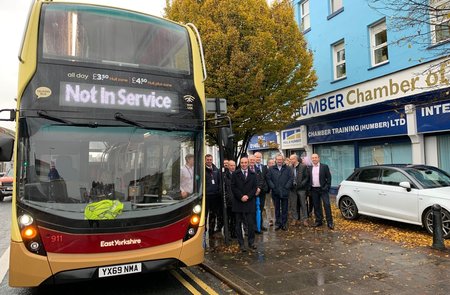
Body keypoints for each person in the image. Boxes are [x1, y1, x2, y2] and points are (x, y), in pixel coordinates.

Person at [231, 156, 258, 252]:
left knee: (251, 224)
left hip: (250, 202)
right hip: (238, 202)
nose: (244, 164)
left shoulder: (253, 174)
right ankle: (241, 244)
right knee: (238, 224)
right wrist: (241, 196)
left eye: (245, 162)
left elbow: (255, 187)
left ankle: (251, 242)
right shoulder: (235, 174)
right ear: (240, 163)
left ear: (248, 163)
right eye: (242, 162)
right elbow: (233, 187)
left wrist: (248, 196)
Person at [266, 154, 293, 231]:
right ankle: (278, 223)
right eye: (278, 159)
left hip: (285, 192)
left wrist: (287, 187)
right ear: (275, 160)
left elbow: (291, 178)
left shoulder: (288, 168)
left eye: (280, 159)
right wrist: (273, 187)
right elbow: (268, 179)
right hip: (275, 192)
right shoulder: (271, 169)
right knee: (277, 209)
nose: (279, 161)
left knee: (285, 209)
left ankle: (284, 223)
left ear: (283, 160)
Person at [308, 153, 334, 229]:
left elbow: (329, 178)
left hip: (323, 189)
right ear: (311, 159)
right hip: (314, 190)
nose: (314, 159)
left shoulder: (324, 167)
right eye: (313, 158)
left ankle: (330, 222)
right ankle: (319, 221)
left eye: (316, 157)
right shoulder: (309, 168)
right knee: (316, 206)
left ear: (319, 158)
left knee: (327, 205)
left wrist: (327, 187)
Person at [289, 154, 310, 227]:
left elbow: (307, 177)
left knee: (303, 205)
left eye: (292, 159)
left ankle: (305, 219)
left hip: (301, 189)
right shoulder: (290, 167)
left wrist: (301, 184)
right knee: (293, 205)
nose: (291, 161)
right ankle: (295, 219)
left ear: (296, 159)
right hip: (292, 189)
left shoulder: (303, 166)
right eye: (290, 159)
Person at [205, 154, 222, 236]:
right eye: (207, 159)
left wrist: (219, 191)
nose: (209, 161)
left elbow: (219, 182)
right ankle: (203, 230)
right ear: (205, 160)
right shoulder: (202, 170)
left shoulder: (216, 169)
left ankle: (211, 231)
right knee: (205, 214)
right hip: (206, 196)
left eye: (210, 159)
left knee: (213, 214)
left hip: (215, 196)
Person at [254, 152, 269, 232]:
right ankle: (255, 226)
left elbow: (266, 178)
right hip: (254, 192)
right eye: (257, 157)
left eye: (260, 157)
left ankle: (260, 224)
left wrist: (266, 188)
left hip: (262, 191)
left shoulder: (264, 167)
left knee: (261, 208)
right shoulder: (251, 167)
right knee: (254, 209)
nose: (258, 159)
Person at [224, 160, 237, 239]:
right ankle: (227, 234)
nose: (232, 167)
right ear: (228, 166)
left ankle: (234, 233)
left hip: (236, 200)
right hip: (229, 201)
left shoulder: (237, 175)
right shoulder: (225, 176)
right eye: (231, 165)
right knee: (228, 218)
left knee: (235, 219)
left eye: (234, 165)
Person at [265, 158, 276, 226]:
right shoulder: (265, 171)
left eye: (273, 163)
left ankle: (276, 218)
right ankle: (270, 219)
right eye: (270, 163)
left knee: (276, 205)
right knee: (268, 206)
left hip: (275, 191)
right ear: (268, 164)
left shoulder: (277, 170)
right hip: (267, 191)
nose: (271, 164)